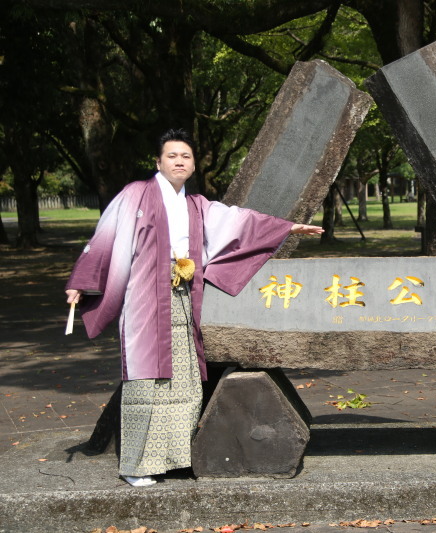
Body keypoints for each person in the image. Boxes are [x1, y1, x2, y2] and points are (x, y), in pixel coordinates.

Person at [65, 128, 323, 487]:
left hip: (183, 299)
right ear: (158, 161)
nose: (179, 161)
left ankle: (175, 459)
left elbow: (238, 222)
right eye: (172, 156)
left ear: (193, 164)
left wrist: (286, 228)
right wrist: (82, 280)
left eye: (185, 156)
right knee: (146, 381)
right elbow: (106, 238)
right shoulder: (134, 194)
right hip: (143, 300)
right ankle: (136, 465)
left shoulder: (196, 204)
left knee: (184, 381)